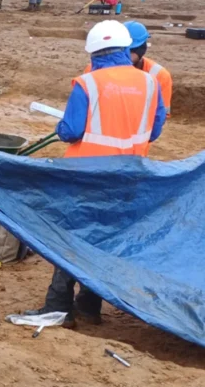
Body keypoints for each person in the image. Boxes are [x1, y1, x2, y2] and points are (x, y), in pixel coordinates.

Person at [26, 20, 166, 327]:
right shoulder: (150, 83)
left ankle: (58, 307)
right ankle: (90, 305)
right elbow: (154, 131)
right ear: (126, 49)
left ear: (94, 52)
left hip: (86, 177)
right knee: (105, 238)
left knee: (70, 238)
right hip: (129, 176)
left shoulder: (87, 83)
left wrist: (61, 128)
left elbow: (71, 131)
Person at [82, 21, 173, 117]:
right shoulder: (93, 69)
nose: (126, 56)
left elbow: (160, 116)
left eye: (131, 51)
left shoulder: (159, 75)